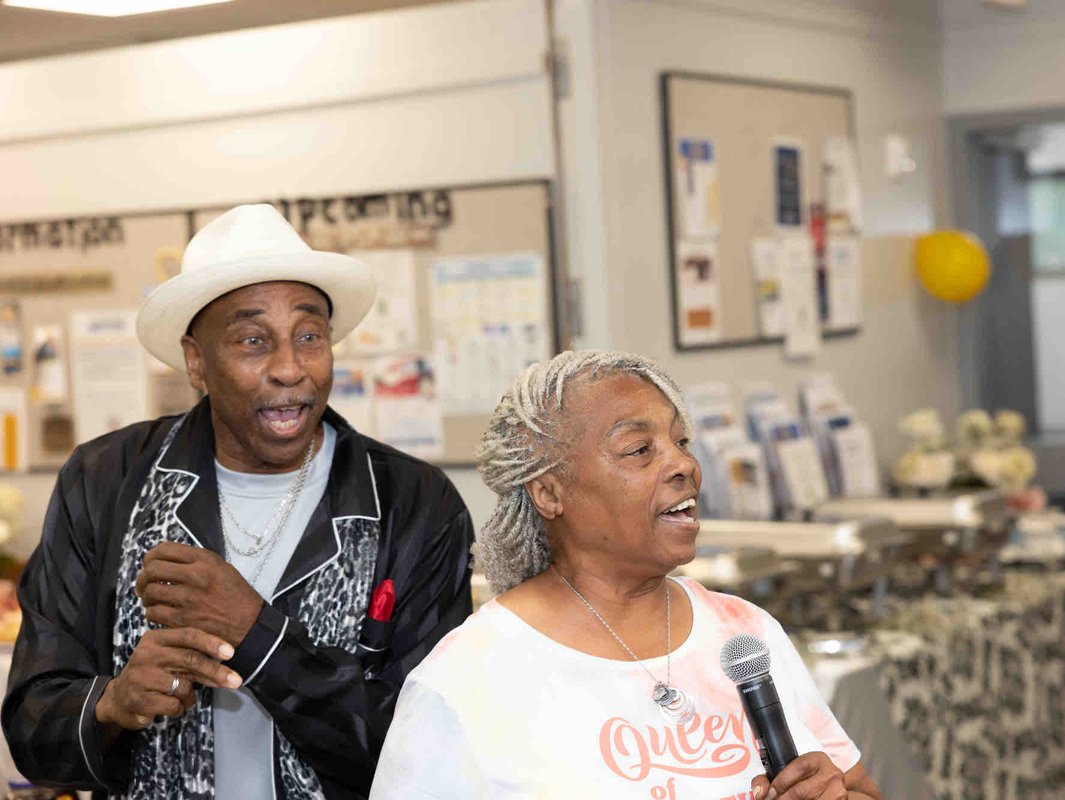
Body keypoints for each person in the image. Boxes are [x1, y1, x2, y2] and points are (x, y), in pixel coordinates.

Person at [2, 204, 474, 799]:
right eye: (253, 341)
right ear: (196, 361)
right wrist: (112, 703)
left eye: (309, 336)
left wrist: (258, 636)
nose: (289, 367)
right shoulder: (107, 480)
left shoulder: (411, 502)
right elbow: (31, 728)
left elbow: (431, 751)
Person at [371, 350, 881, 799]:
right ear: (549, 493)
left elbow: (860, 791)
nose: (684, 464)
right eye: (640, 450)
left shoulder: (746, 633)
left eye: (681, 441)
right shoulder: (463, 682)